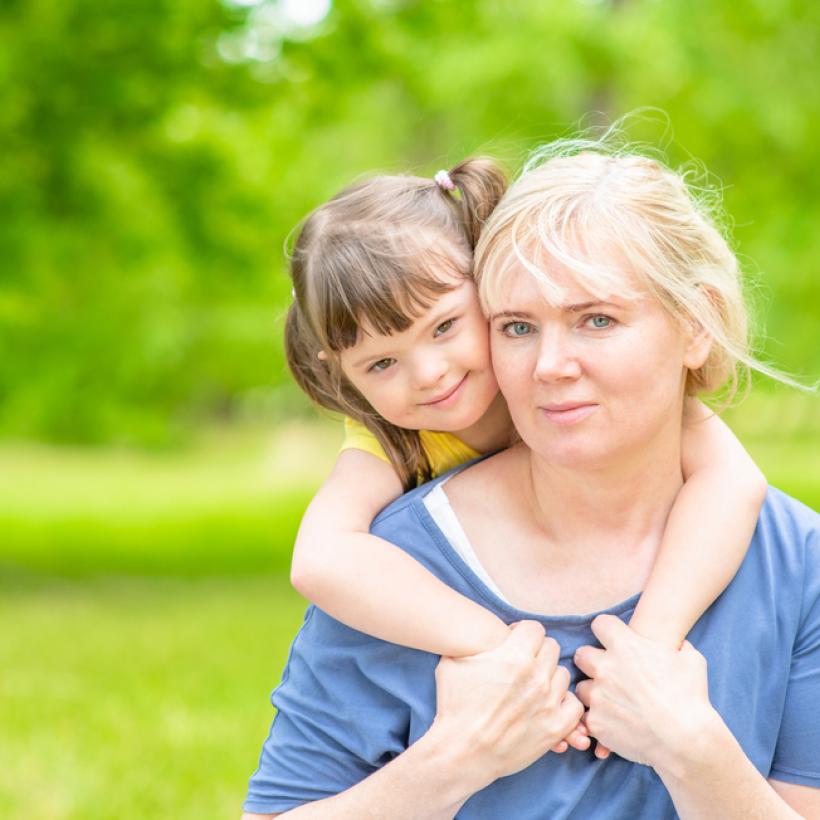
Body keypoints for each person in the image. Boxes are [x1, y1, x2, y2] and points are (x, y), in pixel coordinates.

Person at [241, 141, 820, 817]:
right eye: (517, 326)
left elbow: (735, 480)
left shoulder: (793, 560)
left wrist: (694, 749)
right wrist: (454, 759)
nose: (550, 365)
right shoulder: (393, 566)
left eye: (596, 319)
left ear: (697, 324)